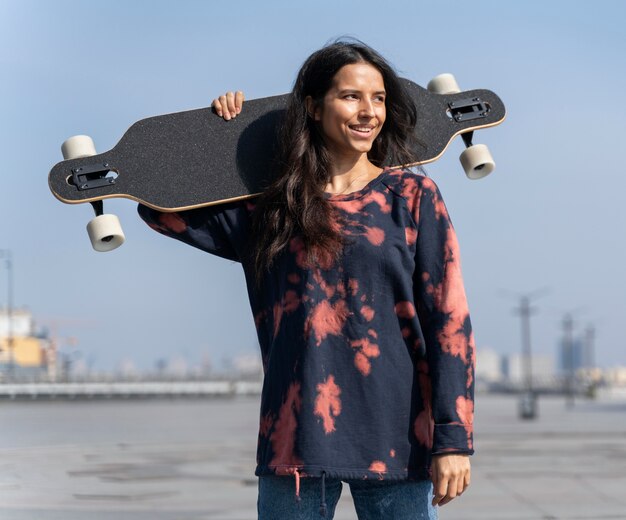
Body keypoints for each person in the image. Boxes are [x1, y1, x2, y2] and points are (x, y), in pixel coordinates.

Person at [139, 40, 475, 520]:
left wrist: (453, 439)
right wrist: (215, 140)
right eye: (351, 97)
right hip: (294, 444)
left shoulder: (413, 197)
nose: (369, 112)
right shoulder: (272, 209)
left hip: (398, 440)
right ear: (314, 108)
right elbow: (159, 210)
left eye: (378, 98)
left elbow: (450, 323)